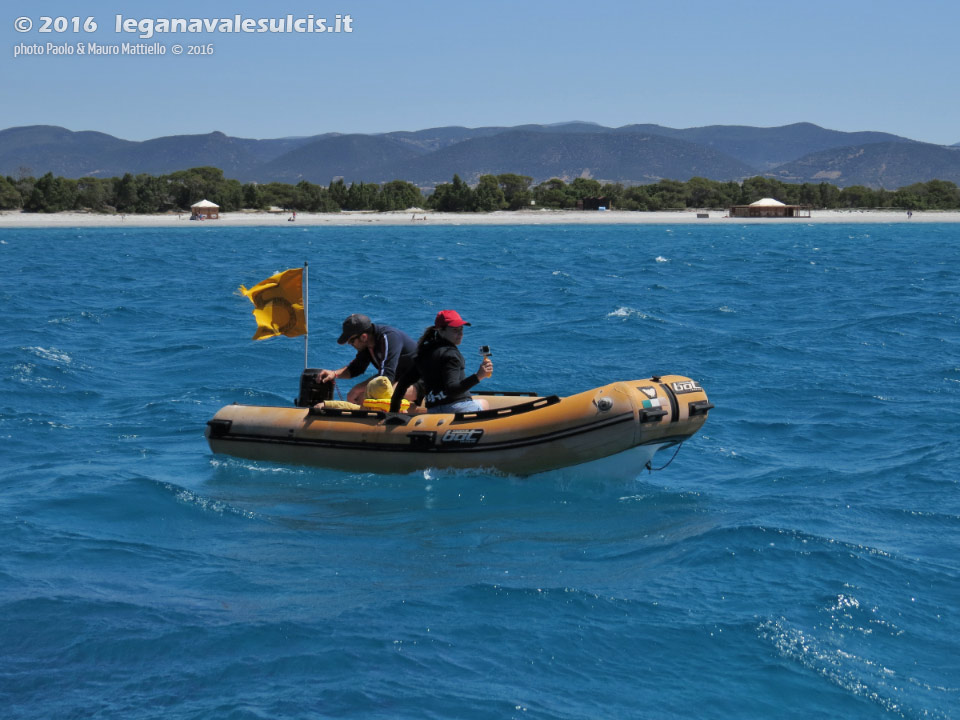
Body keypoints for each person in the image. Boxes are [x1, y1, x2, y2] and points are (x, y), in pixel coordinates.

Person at [390, 310, 493, 414]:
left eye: (461, 329)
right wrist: (479, 376)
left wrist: (393, 412)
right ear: (441, 330)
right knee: (484, 403)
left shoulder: (424, 353)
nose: (460, 334)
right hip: (457, 409)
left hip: (433, 411)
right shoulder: (451, 354)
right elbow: (452, 390)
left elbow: (403, 383)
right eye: (455, 330)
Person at [317, 314, 419, 405]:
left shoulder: (389, 337)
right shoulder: (368, 346)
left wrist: (357, 389)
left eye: (352, 341)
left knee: (372, 396)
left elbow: (386, 377)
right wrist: (334, 374)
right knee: (357, 397)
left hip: (422, 379)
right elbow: (355, 369)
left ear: (364, 337)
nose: (350, 344)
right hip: (400, 377)